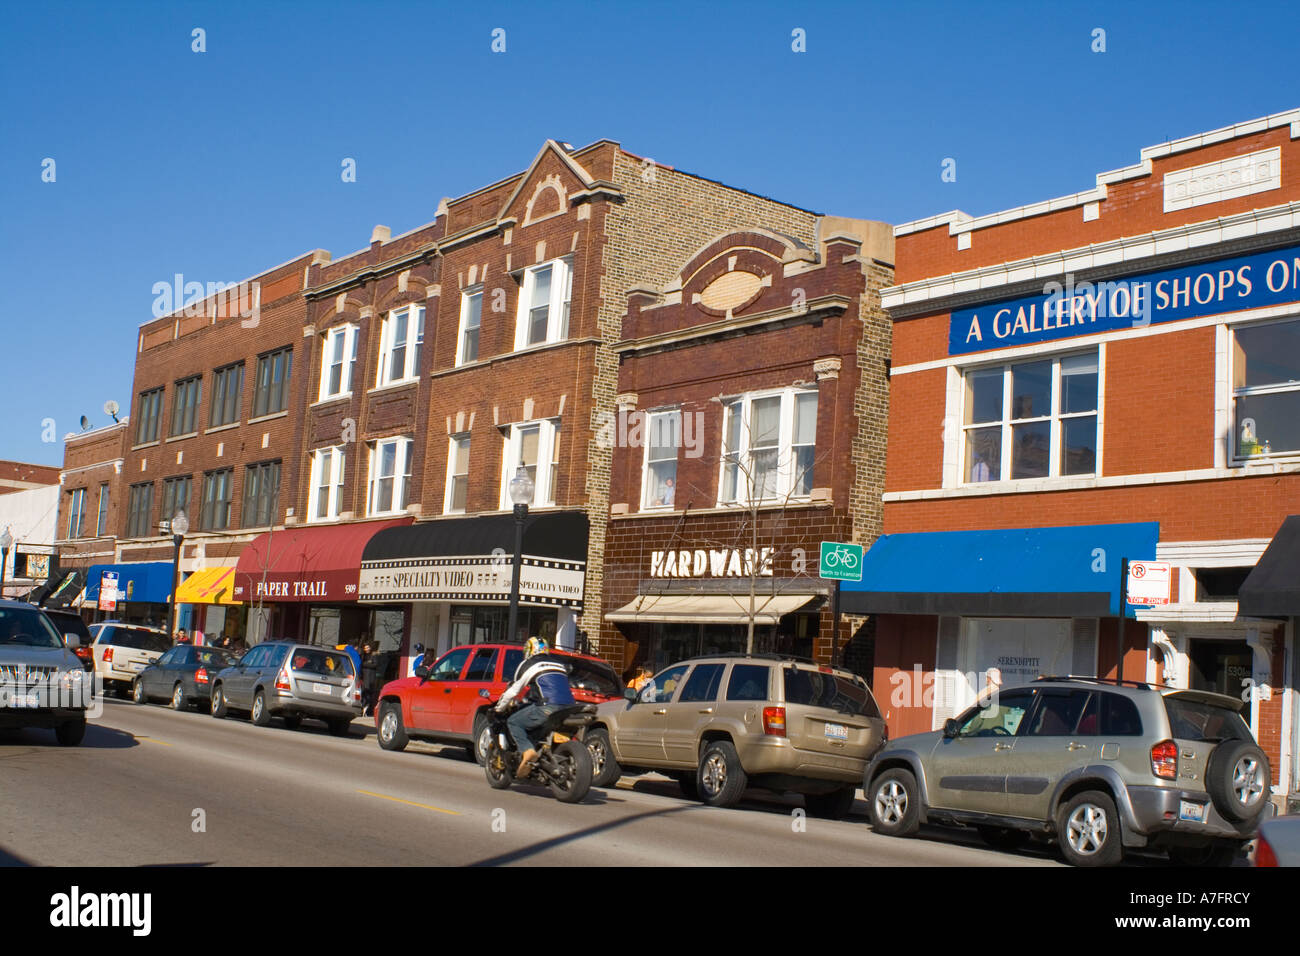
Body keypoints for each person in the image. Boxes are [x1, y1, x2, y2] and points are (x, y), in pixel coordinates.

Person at [494, 637, 575, 779]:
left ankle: (527, 751)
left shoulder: (529, 664)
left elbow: (514, 690)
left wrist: (499, 708)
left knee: (513, 722)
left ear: (530, 650)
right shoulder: (558, 664)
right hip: (569, 707)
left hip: (548, 707)